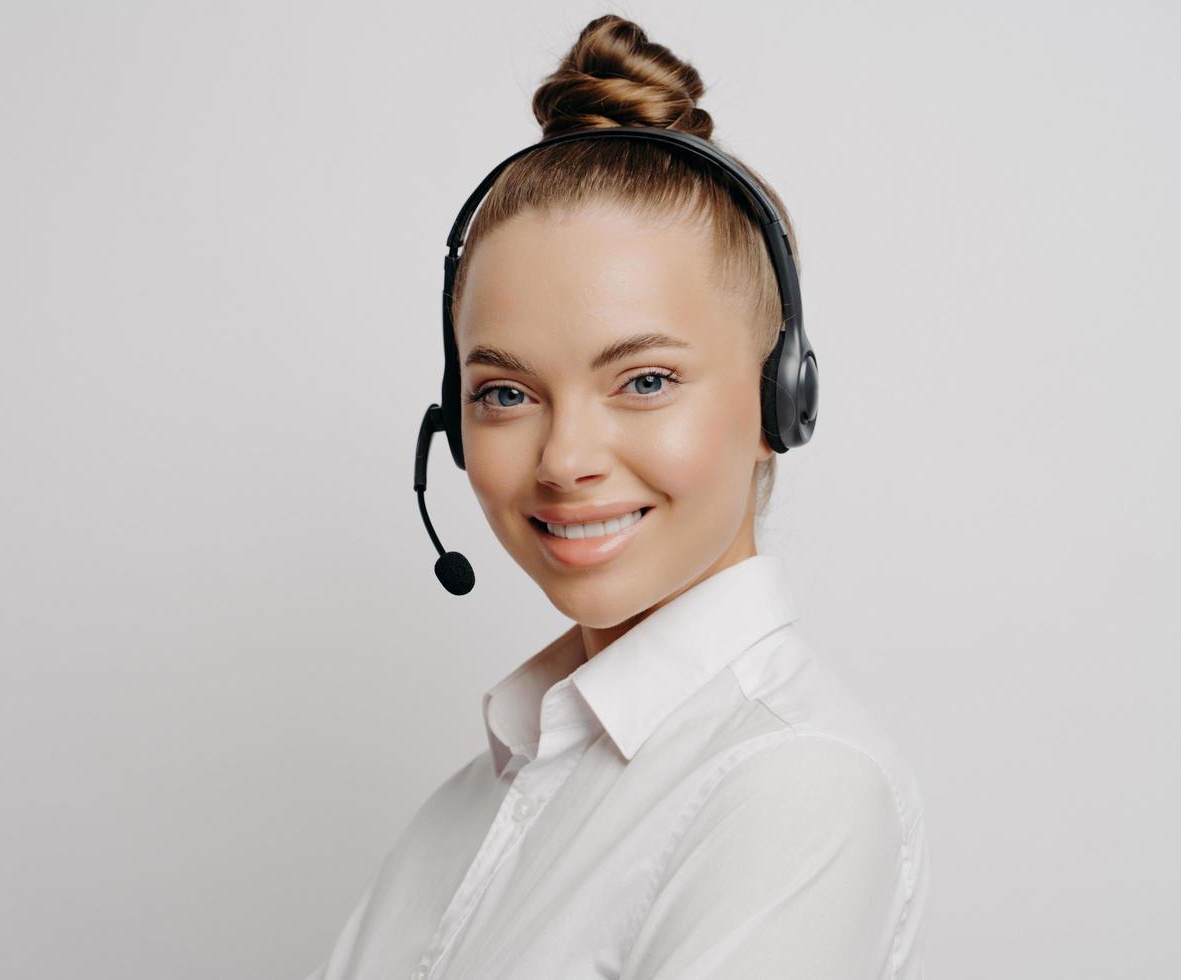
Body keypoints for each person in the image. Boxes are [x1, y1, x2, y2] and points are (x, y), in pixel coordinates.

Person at [306, 14, 929, 979]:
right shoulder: (475, 803)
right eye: (505, 393)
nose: (564, 458)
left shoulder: (794, 786)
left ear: (780, 399)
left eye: (643, 381)